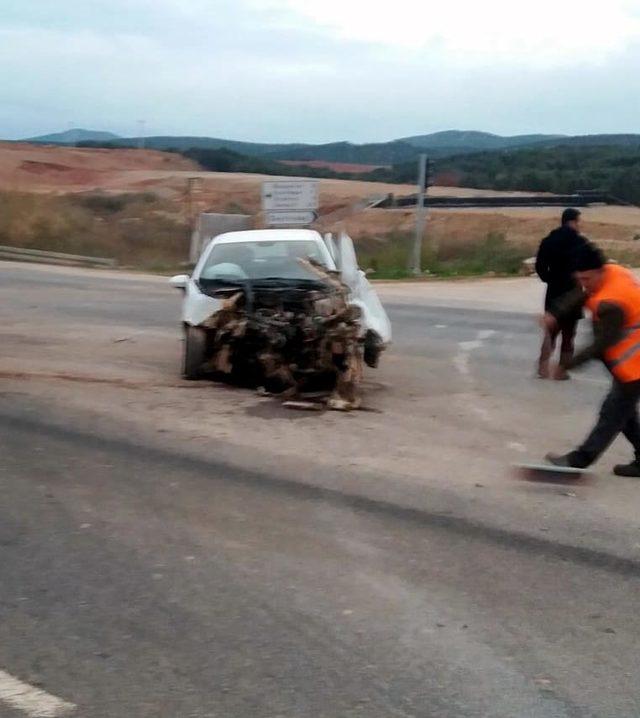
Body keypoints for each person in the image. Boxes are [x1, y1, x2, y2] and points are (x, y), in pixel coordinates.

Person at [543, 243, 640, 476]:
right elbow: (583, 293)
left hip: (635, 364)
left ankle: (580, 459)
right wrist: (555, 313)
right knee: (623, 413)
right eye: (580, 279)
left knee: (613, 411)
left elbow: (600, 345)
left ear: (599, 272)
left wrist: (566, 365)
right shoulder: (610, 272)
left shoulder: (612, 303)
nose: (584, 284)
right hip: (630, 363)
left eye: (586, 278)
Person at [535, 208, 588, 379]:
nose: (579, 225)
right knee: (568, 334)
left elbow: (540, 266)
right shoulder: (580, 242)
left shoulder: (549, 240)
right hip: (573, 290)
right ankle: (561, 371)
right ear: (572, 221)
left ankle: (543, 369)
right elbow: (587, 267)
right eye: (578, 221)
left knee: (551, 332)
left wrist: (549, 278)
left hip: (554, 289)